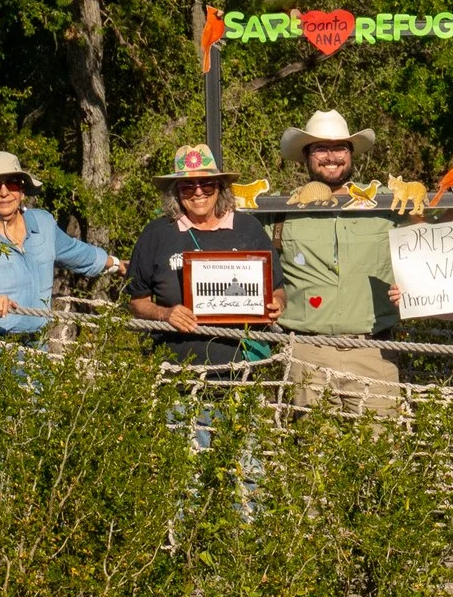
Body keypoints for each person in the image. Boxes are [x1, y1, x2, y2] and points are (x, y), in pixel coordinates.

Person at [272, 108, 406, 413]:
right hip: (305, 354)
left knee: (380, 449)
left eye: (339, 148)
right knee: (309, 450)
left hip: (374, 352)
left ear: (351, 153)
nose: (331, 156)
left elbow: (433, 239)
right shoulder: (281, 209)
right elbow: (245, 252)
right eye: (321, 148)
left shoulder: (386, 203)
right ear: (306, 155)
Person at [0, 151, 122, 372]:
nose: (3, 193)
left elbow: (75, 252)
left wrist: (116, 263)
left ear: (22, 190)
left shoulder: (44, 224)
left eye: (11, 184)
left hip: (34, 352)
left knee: (40, 406)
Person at [126, 144, 287, 374]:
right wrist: (166, 314)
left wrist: (276, 304)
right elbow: (136, 302)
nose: (198, 192)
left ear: (220, 187)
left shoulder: (249, 228)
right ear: (176, 191)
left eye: (206, 184)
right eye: (188, 186)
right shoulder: (156, 233)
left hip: (242, 373)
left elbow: (278, 289)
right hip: (173, 375)